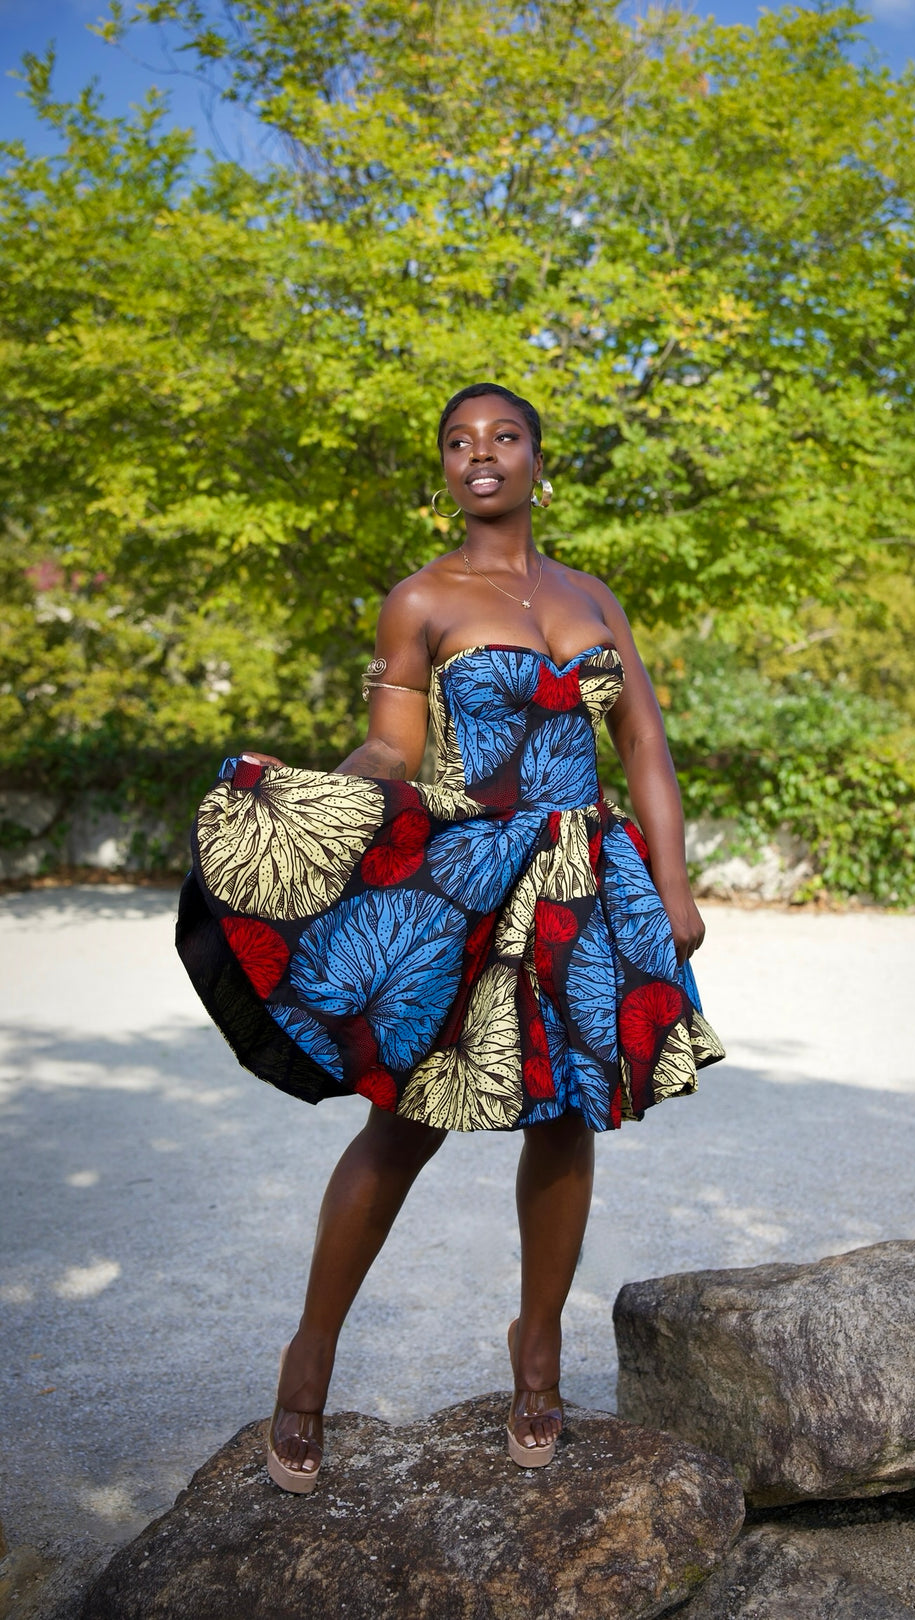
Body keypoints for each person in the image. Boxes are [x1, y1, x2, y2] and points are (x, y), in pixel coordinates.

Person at [176, 381, 723, 1493]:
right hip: (471, 874)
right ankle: (307, 1361)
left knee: (567, 1115)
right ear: (446, 472)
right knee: (404, 1120)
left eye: (504, 437)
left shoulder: (595, 597)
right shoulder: (420, 598)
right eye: (460, 443)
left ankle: (537, 1349)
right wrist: (318, 814)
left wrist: (674, 887)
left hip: (585, 883)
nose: (483, 454)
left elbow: (647, 750)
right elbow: (391, 747)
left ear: (536, 460)